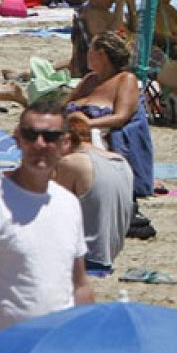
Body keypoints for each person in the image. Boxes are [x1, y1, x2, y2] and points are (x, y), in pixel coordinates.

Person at [0, 101, 91, 344]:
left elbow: (80, 283)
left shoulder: (69, 203)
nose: (40, 144)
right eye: (30, 135)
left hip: (58, 346)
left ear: (65, 143)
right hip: (4, 348)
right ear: (18, 139)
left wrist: (85, 342)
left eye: (50, 136)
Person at [53, 115, 132, 276]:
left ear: (66, 140)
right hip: (108, 255)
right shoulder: (121, 161)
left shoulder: (72, 162)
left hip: (84, 259)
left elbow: (51, 212)